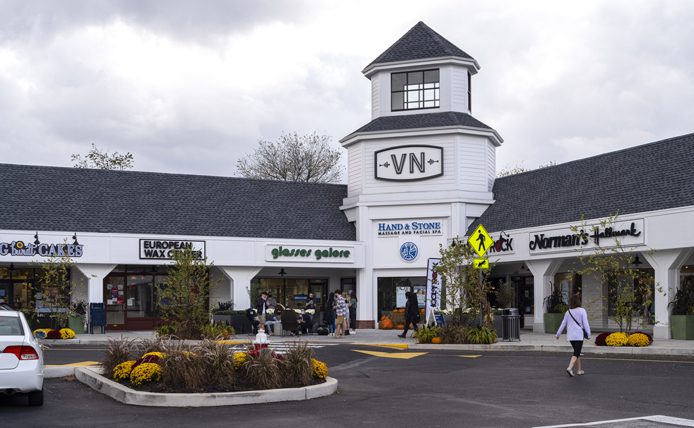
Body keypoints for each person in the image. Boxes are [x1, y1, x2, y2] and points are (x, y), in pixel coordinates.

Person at [556, 294, 591, 377]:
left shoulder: (568, 312)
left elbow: (563, 324)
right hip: (578, 335)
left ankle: (579, 370)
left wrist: (558, 334)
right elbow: (585, 324)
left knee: (577, 352)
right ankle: (570, 368)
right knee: (576, 353)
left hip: (571, 336)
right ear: (578, 301)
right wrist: (588, 334)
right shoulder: (582, 310)